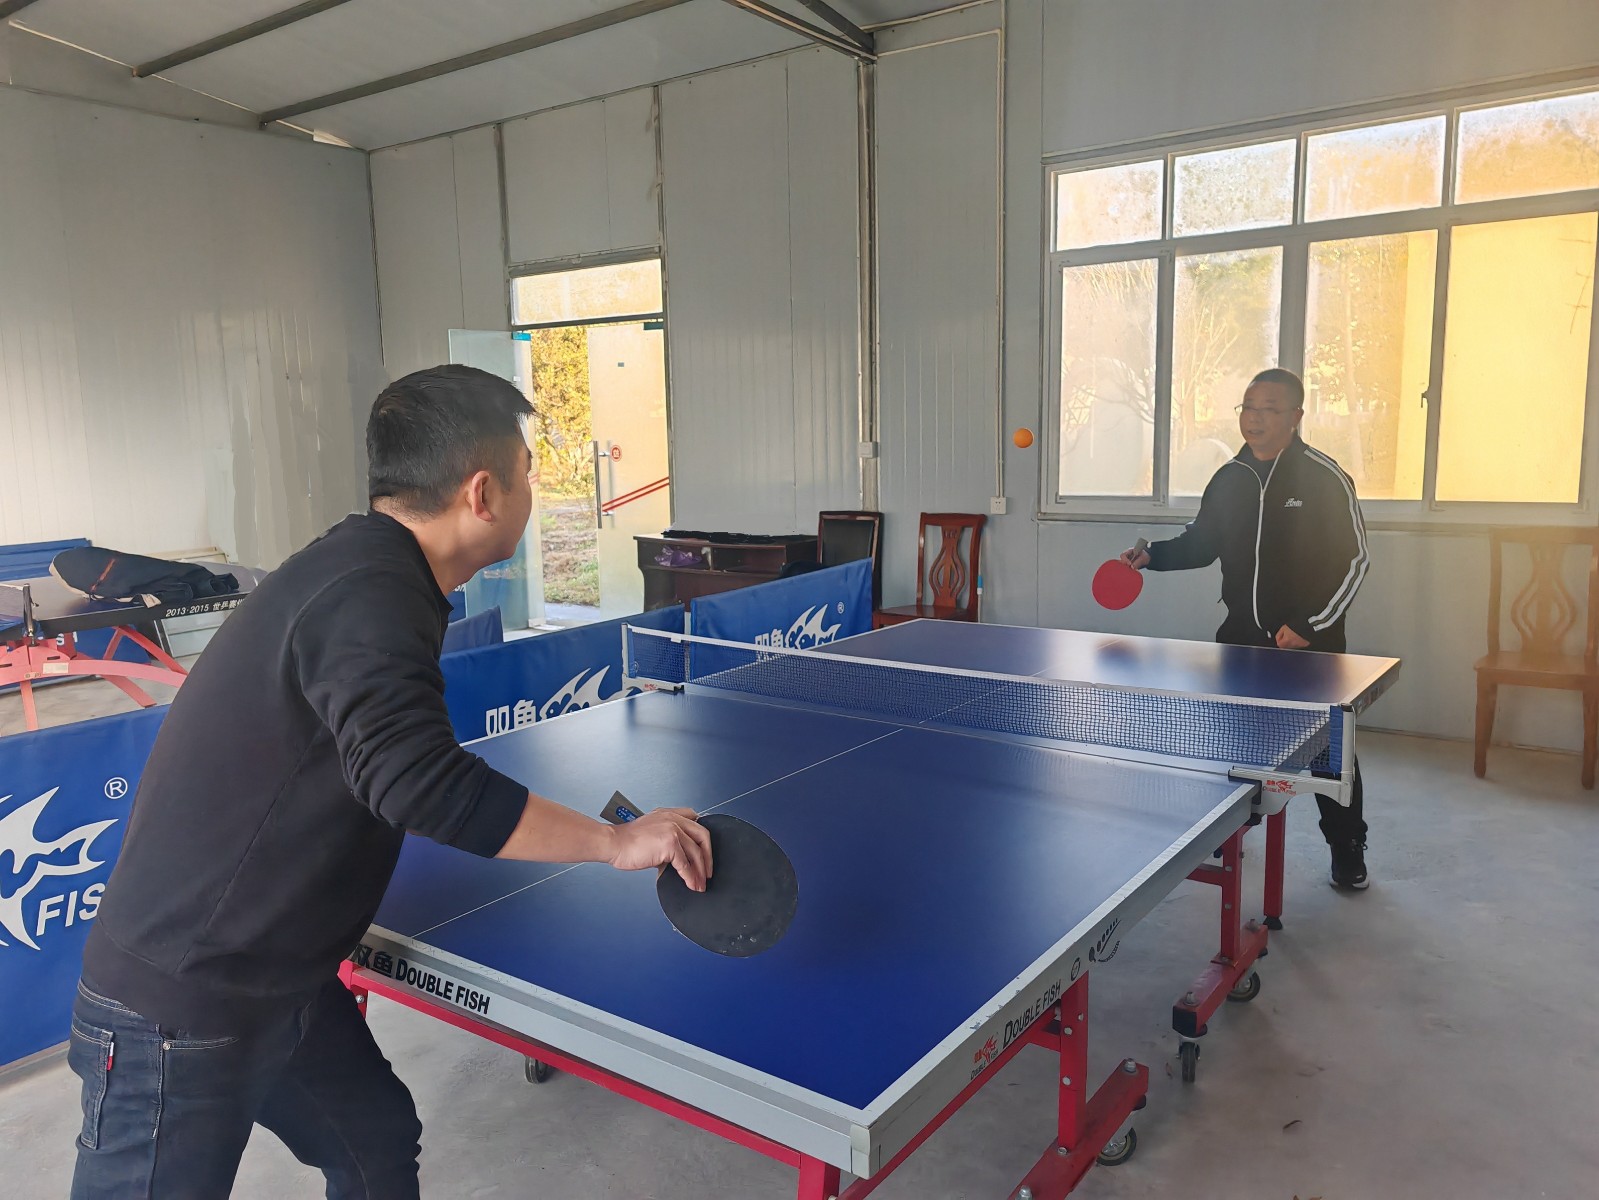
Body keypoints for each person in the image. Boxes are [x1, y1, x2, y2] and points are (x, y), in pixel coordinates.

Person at [67, 365, 713, 1198]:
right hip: (183, 1002)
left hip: (281, 974)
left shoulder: (373, 569)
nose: (532, 493)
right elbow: (416, 782)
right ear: (483, 493)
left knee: (374, 1140)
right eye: (526, 475)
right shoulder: (370, 593)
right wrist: (614, 841)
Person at [1120, 367, 1371, 889]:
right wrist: (1152, 556)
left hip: (1310, 646)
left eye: (1268, 409)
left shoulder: (1325, 478)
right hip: (1240, 639)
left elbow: (1353, 560)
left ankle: (1347, 845)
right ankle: (1232, 826)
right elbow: (1201, 542)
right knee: (1234, 743)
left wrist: (1309, 624)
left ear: (1296, 416)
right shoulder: (1229, 478)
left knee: (1328, 753)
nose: (1254, 419)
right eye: (1247, 408)